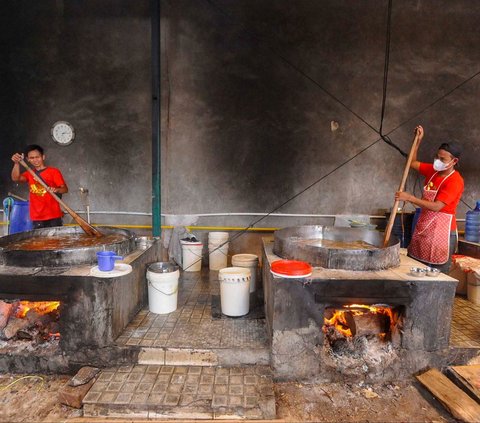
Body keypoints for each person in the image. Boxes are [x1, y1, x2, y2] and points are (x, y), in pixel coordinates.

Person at [395, 125, 464, 273]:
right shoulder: (433, 171)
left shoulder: (455, 181)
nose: (437, 161)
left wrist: (410, 198)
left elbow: (437, 206)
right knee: (416, 268)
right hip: (424, 227)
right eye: (437, 157)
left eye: (442, 159)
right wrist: (418, 141)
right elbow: (412, 163)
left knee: (437, 276)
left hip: (442, 232)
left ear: (454, 161)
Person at [11, 144, 68, 229]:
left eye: (37, 157)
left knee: (56, 242)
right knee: (39, 242)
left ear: (43, 157)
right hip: (36, 217)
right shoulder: (29, 173)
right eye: (32, 158)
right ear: (28, 159)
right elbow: (16, 178)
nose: (35, 160)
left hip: (53, 216)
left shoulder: (54, 172)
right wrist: (16, 163)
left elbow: (65, 189)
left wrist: (56, 190)